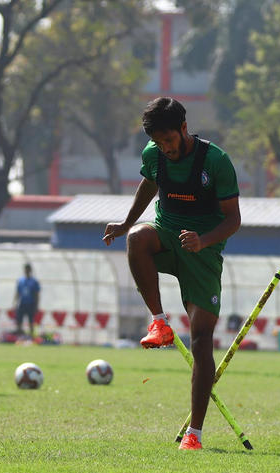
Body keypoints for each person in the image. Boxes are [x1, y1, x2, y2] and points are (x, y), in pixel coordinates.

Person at [102, 97, 241, 450]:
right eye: (159, 143)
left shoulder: (216, 161)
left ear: (183, 129)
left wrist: (203, 240)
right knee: (137, 239)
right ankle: (159, 323)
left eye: (170, 141)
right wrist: (126, 223)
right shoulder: (153, 155)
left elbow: (233, 219)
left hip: (203, 252)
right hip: (166, 235)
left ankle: (194, 434)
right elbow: (150, 184)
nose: (166, 149)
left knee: (201, 340)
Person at [13, 263, 41, 337]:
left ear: (30, 270)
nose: (26, 271)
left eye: (28, 269)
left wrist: (37, 305)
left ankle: (31, 336)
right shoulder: (21, 281)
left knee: (31, 321)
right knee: (19, 320)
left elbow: (36, 294)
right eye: (25, 269)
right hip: (22, 303)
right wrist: (15, 303)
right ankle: (19, 336)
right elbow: (18, 292)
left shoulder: (34, 281)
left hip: (31, 304)